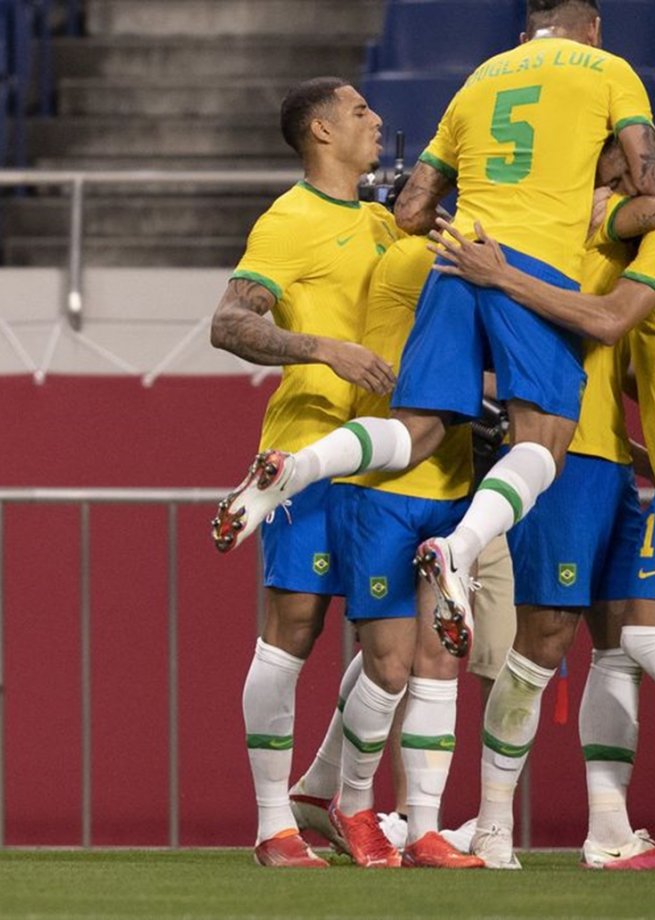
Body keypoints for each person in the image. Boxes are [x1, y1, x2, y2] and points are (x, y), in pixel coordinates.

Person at [210, 0, 655, 663]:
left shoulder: (481, 78)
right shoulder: (608, 70)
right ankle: (457, 550)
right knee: (545, 442)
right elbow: (649, 175)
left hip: (454, 259)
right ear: (594, 28)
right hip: (525, 267)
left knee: (418, 428)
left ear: (526, 33)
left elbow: (410, 209)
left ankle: (295, 468)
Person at [428, 144, 655, 873]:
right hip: (580, 461)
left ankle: (615, 825)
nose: (628, 169)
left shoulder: (640, 244)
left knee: (627, 643)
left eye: (635, 159)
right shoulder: (559, 231)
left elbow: (627, 320)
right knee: (549, 642)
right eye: (618, 154)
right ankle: (496, 825)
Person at [207, 76, 398, 868]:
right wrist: (324, 347)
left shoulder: (386, 221)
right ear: (320, 131)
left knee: (393, 646)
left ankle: (344, 800)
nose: (377, 119)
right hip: (310, 447)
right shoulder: (288, 220)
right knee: (294, 633)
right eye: (359, 111)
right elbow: (228, 321)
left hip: (394, 454)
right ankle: (270, 826)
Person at [279, 232, 486, 870]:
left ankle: (423, 827)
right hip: (380, 491)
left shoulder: (475, 257)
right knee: (391, 667)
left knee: (441, 663)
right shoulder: (419, 256)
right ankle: (355, 804)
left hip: (450, 483)